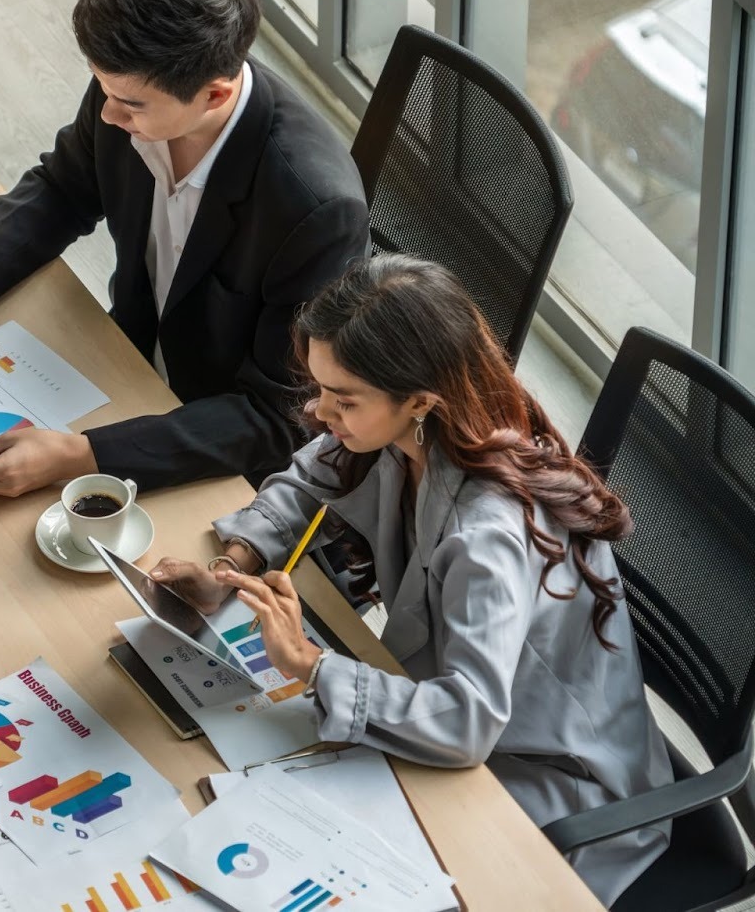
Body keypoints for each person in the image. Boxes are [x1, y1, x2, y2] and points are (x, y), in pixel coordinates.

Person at [149, 254, 669, 905]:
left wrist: (310, 665)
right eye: (321, 388)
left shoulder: (488, 535)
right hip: (457, 717)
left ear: (419, 399)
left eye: (343, 400)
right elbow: (307, 481)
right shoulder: (412, 429)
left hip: (545, 775)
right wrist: (230, 568)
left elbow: (469, 721)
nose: (318, 411)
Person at [0, 0, 368, 496]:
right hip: (122, 364)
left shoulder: (315, 209)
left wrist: (84, 456)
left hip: (210, 446)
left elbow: (278, 416)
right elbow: (64, 186)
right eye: (102, 87)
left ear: (214, 94)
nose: (107, 113)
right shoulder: (132, 86)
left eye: (128, 103)